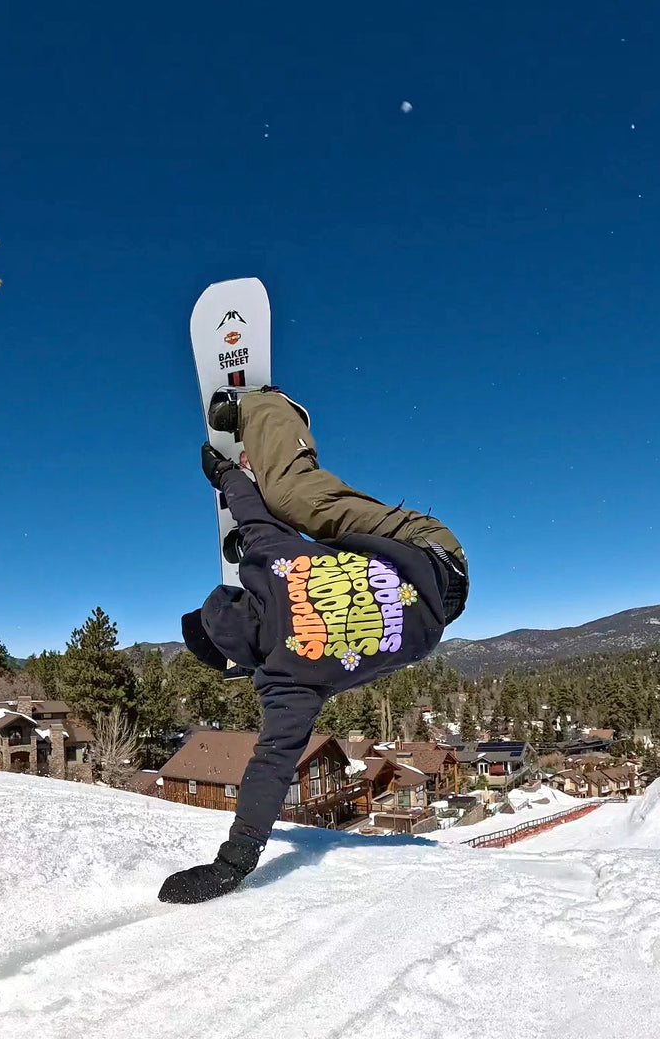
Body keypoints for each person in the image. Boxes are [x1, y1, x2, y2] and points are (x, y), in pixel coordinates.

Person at [158, 386, 468, 904]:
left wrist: (233, 863)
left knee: (283, 515)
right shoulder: (267, 562)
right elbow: (250, 511)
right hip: (426, 549)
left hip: (434, 581)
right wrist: (226, 474)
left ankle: (268, 405)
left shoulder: (286, 685)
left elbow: (272, 766)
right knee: (287, 499)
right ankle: (264, 423)